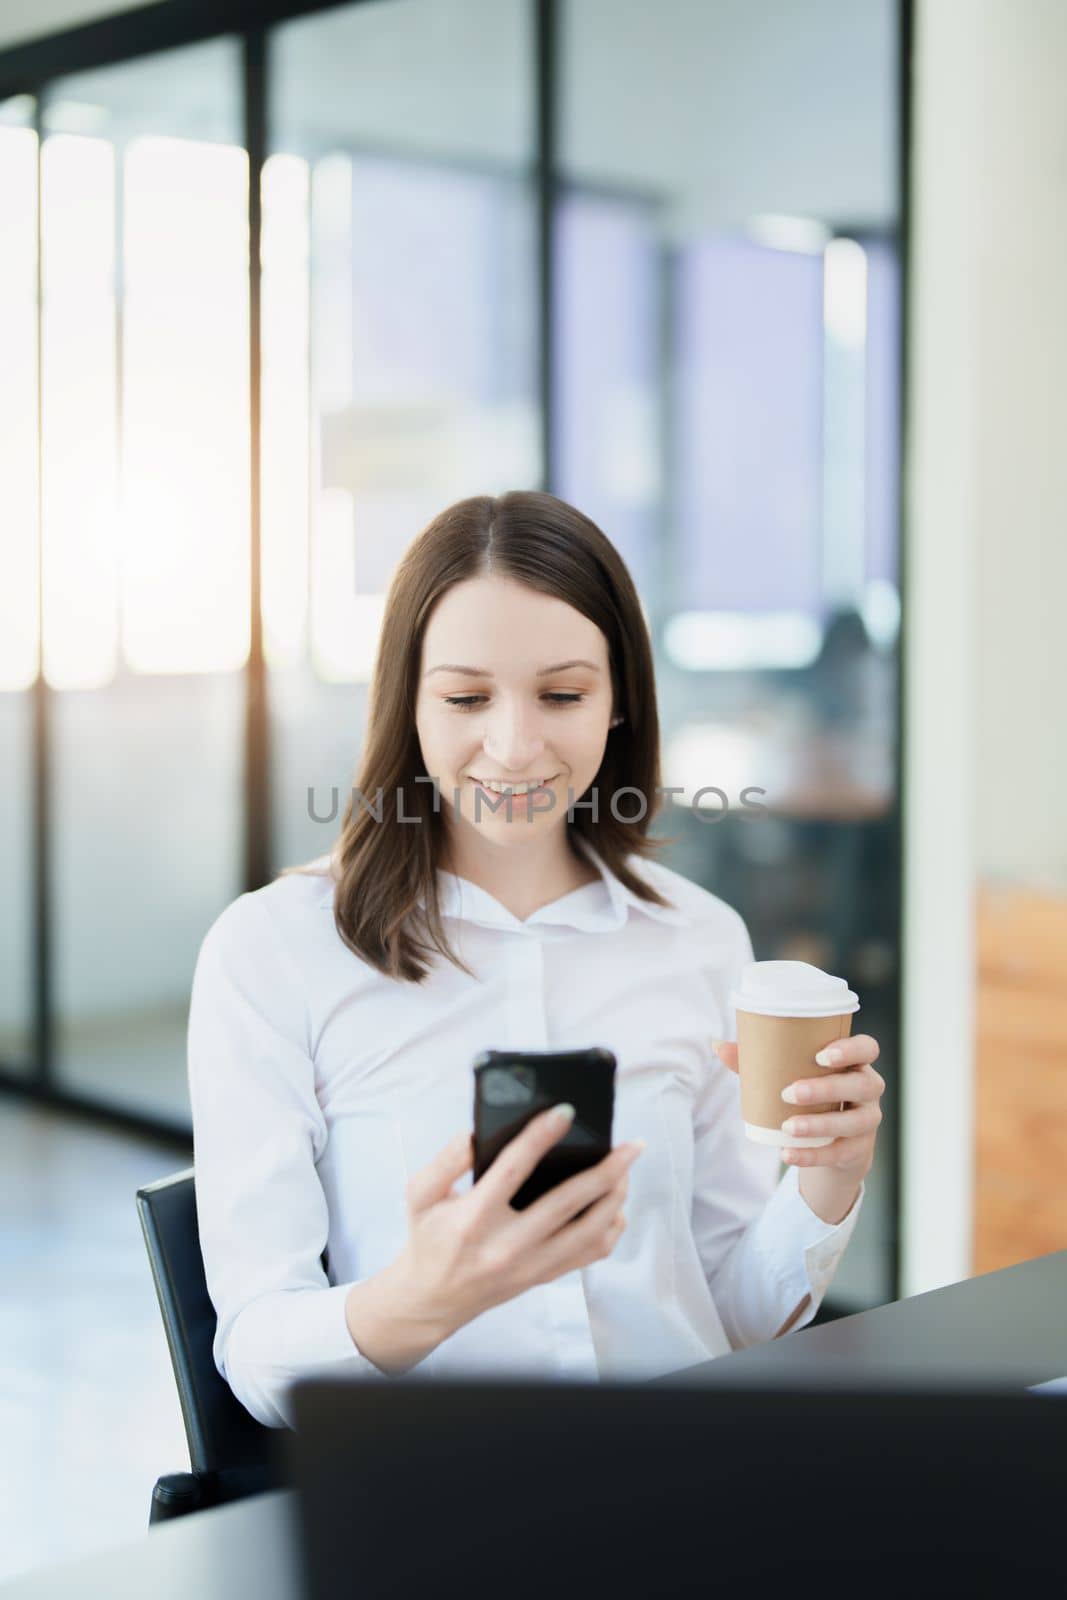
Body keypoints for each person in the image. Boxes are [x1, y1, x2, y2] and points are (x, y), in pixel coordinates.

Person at [188, 490, 885, 1430]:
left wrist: (823, 1185)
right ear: (407, 699)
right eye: (467, 697)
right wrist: (423, 1295)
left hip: (672, 1486)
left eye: (561, 695)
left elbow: (724, 1316)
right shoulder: (275, 952)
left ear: (618, 701)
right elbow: (259, 1357)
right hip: (435, 1507)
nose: (514, 747)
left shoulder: (700, 937)